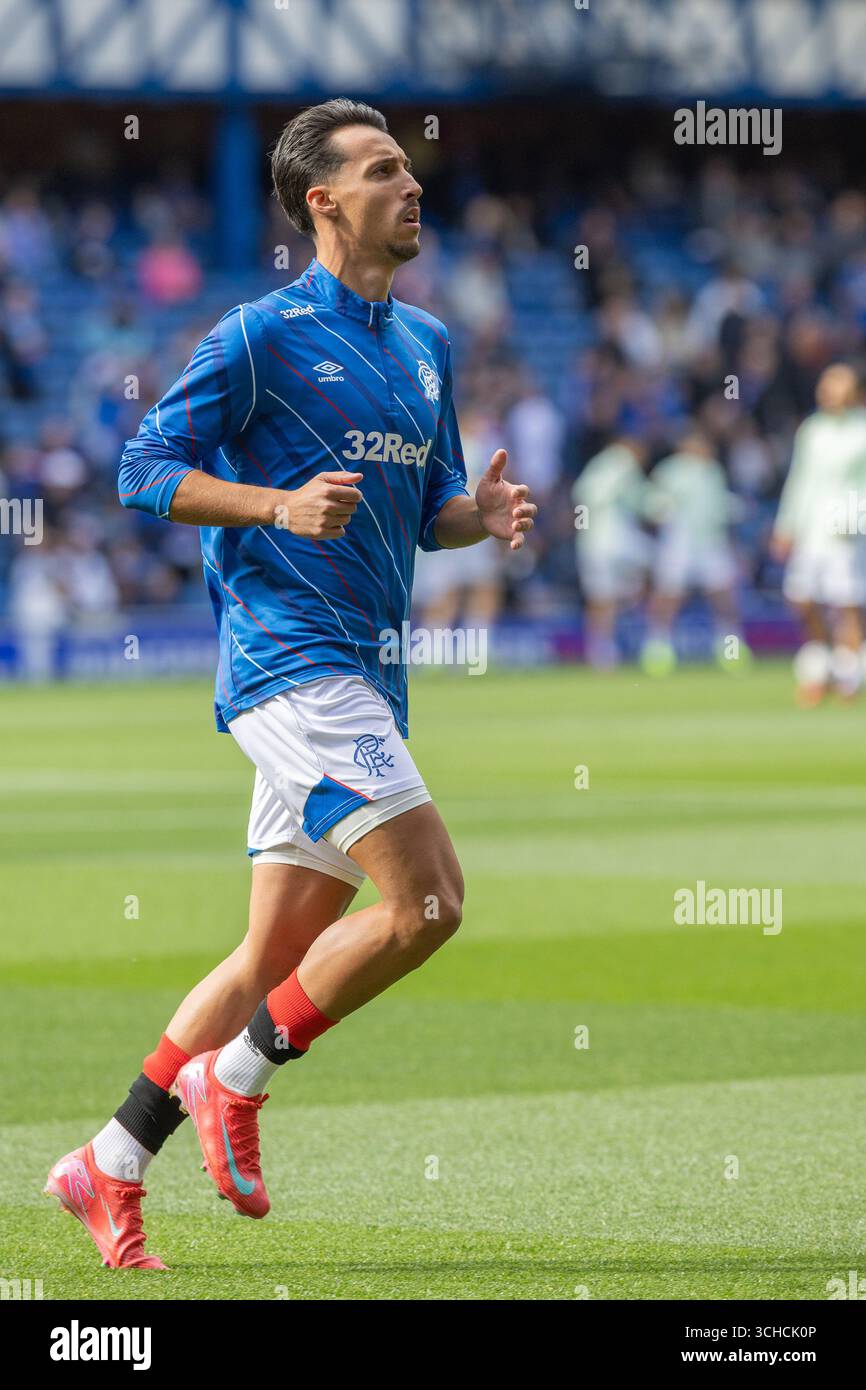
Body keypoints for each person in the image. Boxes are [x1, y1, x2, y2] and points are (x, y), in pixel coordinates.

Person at [44, 98, 537, 1269]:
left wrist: (487, 516)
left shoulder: (425, 347)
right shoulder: (259, 336)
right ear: (322, 203)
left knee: (271, 960)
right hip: (288, 665)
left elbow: (426, 515)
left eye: (409, 169)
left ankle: (106, 1162)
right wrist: (273, 502)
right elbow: (141, 466)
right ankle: (240, 1078)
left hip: (368, 671)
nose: (409, 187)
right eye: (380, 171)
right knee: (426, 904)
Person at [770, 362, 866, 705]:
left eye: (838, 384)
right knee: (802, 599)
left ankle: (848, 676)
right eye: (826, 383)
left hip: (848, 530)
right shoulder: (811, 430)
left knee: (847, 603)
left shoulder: (861, 430)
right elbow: (800, 480)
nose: (829, 390)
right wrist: (786, 525)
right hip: (812, 530)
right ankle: (826, 660)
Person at [640, 429, 748, 675]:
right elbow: (653, 503)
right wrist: (662, 512)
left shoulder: (712, 472)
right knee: (669, 594)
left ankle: (730, 647)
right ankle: (659, 648)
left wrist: (738, 510)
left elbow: (720, 506)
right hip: (680, 541)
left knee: (722, 594)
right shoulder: (672, 470)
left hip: (711, 540)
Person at [573, 437, 650, 668]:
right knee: (658, 569)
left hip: (594, 544)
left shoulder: (599, 465)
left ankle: (602, 651)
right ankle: (609, 647)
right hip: (611, 543)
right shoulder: (622, 464)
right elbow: (641, 502)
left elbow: (582, 496)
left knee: (601, 599)